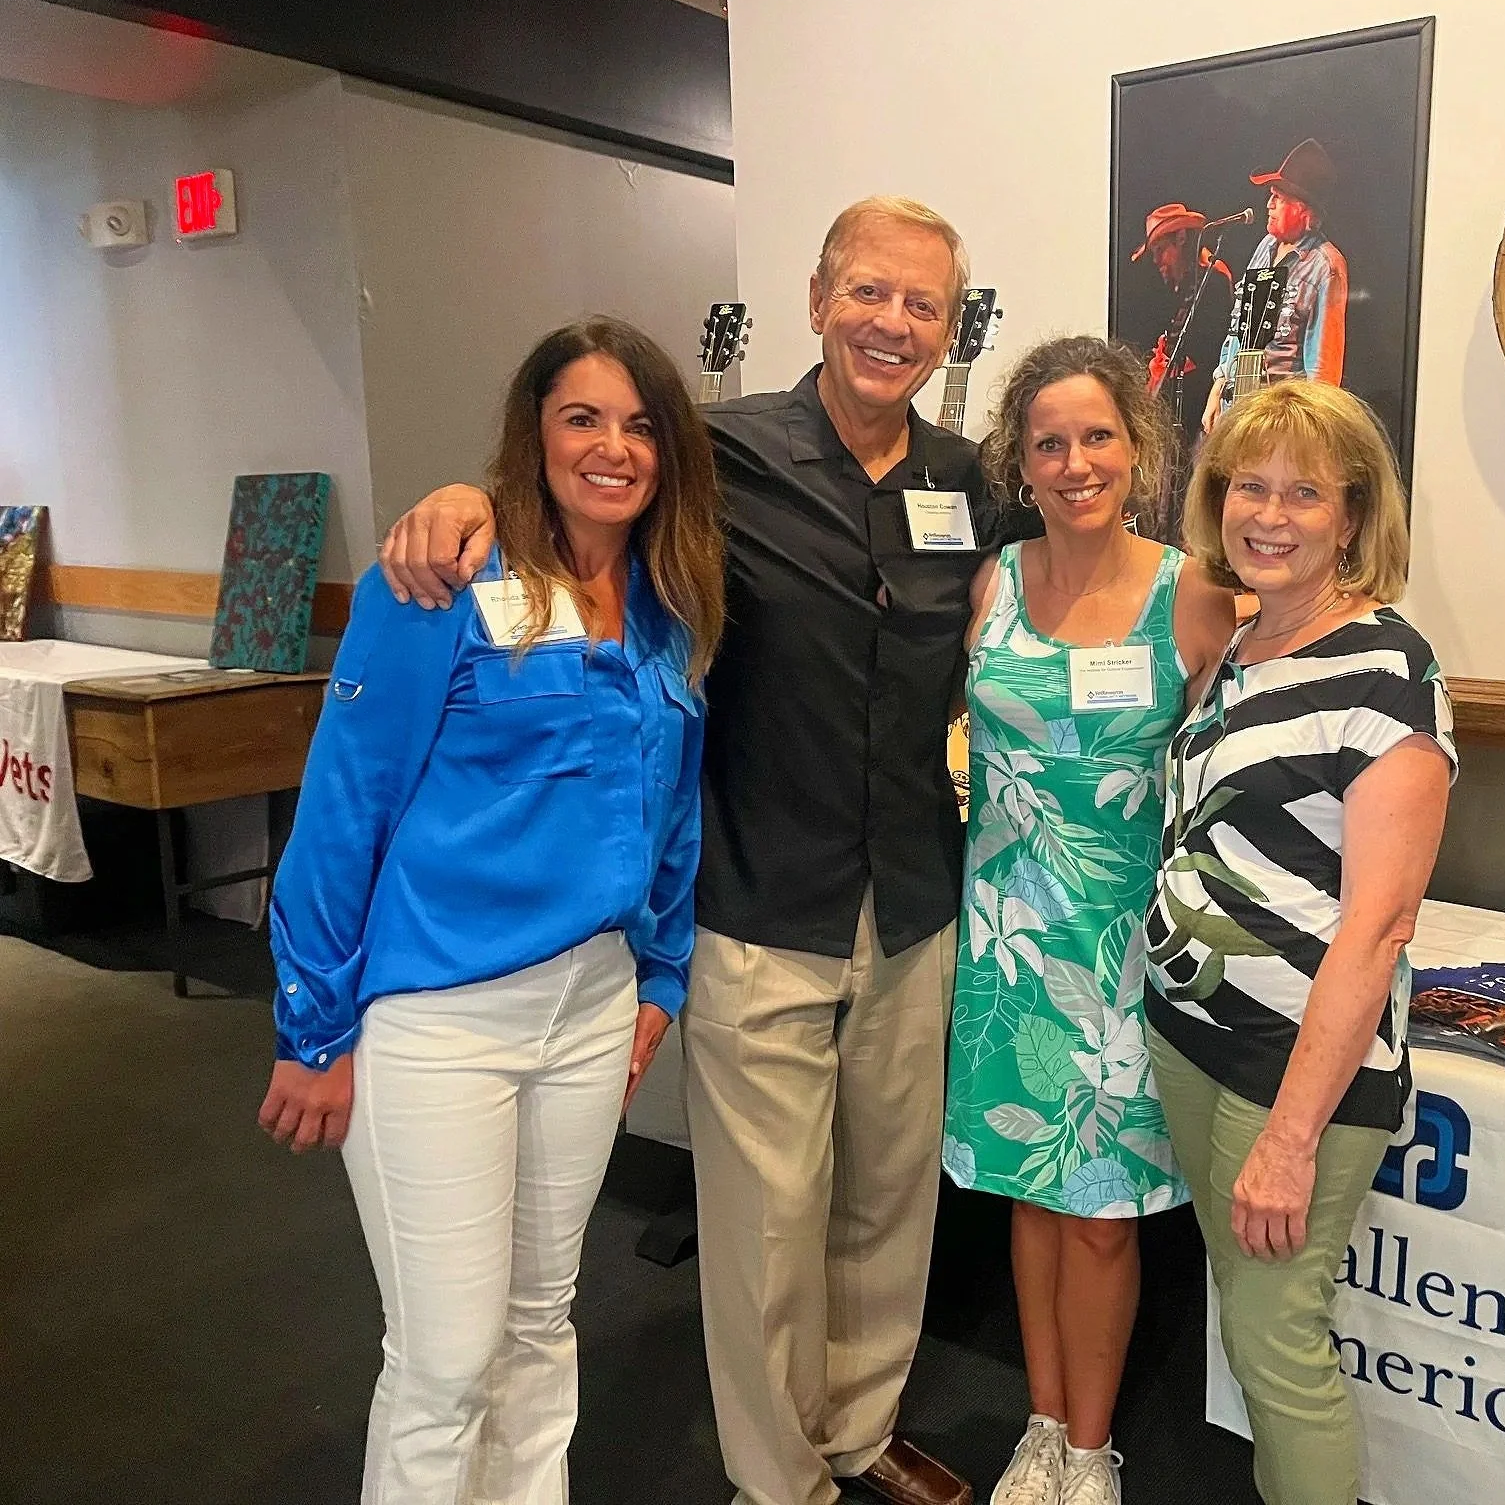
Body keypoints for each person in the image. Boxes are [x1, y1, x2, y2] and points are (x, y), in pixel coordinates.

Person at [375, 197, 1030, 1505]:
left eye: (922, 306)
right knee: (766, 1230)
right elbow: (579, 493)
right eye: (870, 293)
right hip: (755, 898)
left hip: (912, 904)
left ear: (950, 328)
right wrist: (462, 498)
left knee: (887, 1208)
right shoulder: (717, 453)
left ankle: (858, 1428)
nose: (893, 324)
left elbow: (1058, 600)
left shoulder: (967, 484)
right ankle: (777, 1476)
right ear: (817, 299)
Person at [256, 316, 722, 1503]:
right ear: (536, 433)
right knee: (445, 1360)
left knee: (539, 1325)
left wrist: (660, 979)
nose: (613, 446)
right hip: (437, 1018)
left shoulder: (667, 611)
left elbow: (670, 814)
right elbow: (344, 808)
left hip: (591, 1010)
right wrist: (311, 1029)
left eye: (640, 425)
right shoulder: (441, 583)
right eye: (583, 417)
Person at [1145, 380, 1455, 1505]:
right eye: (1248, 487)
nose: (1268, 515)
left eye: (1305, 495)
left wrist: (1288, 1139)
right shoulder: (1241, 645)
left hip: (1295, 1077)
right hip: (1192, 1039)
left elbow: (1377, 930)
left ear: (1355, 520)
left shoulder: (1385, 669)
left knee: (1280, 1351)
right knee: (1248, 1321)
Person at [943, 336, 1235, 1505]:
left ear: (1138, 448)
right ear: (1021, 460)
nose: (1075, 463)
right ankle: (1042, 1423)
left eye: (1097, 437)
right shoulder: (994, 580)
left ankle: (1092, 1446)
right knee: (1031, 1191)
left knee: (1104, 1216)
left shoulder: (1194, 593)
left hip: (1121, 949)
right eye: (1050, 443)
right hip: (1005, 933)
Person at [1203, 140, 1349, 433]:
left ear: (1302, 209)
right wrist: (1219, 384)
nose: (1268, 205)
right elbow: (1240, 327)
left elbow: (1322, 373)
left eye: (1277, 198)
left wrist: (1306, 432)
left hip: (1281, 425)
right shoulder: (1266, 246)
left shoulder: (1326, 266)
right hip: (1239, 410)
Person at [1131, 203, 1235, 540]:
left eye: (1162, 251)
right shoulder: (1187, 287)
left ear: (1181, 239)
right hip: (1180, 406)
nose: (1159, 262)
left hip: (1198, 410)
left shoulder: (1213, 281)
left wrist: (1170, 364)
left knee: (1188, 485)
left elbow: (1206, 352)